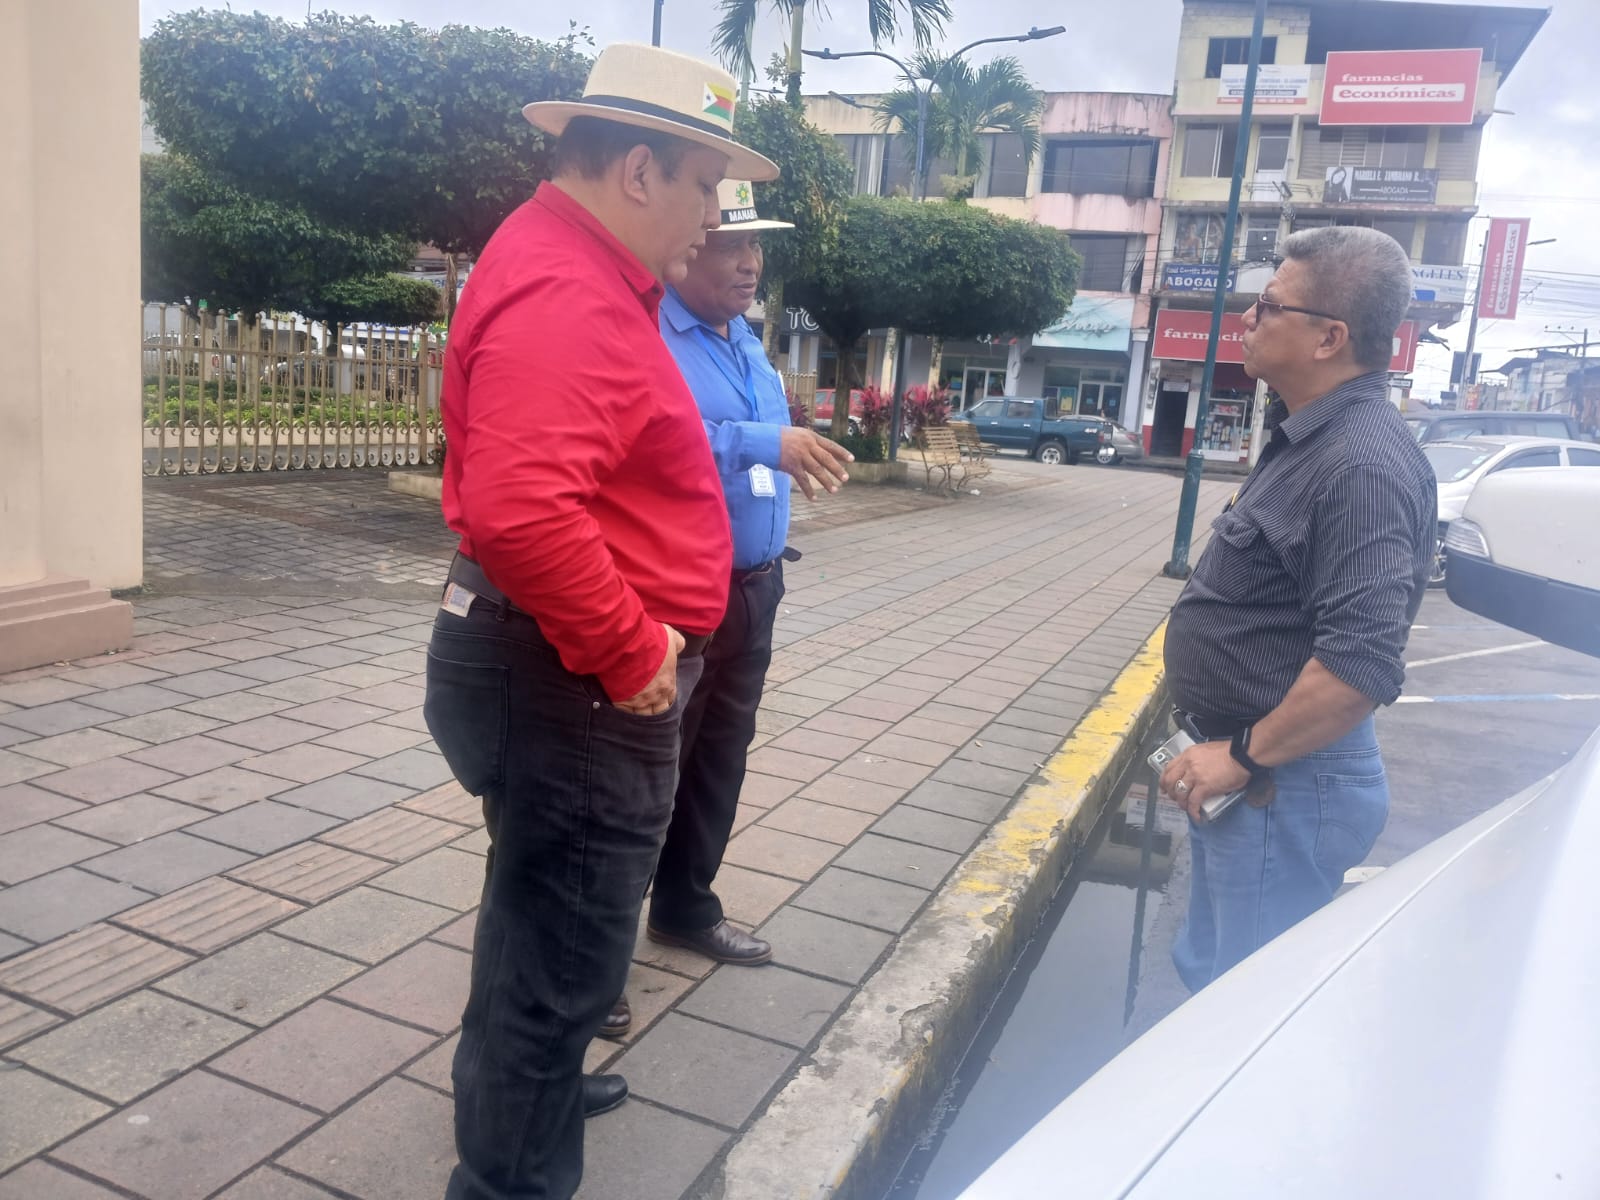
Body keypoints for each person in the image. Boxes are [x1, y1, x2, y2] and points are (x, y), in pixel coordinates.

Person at [421, 43, 779, 1200]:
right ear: (637, 169)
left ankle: (532, 1091)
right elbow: (523, 509)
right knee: (560, 961)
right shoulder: (568, 290)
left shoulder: (572, 267)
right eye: (705, 185)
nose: (714, 216)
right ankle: (512, 1169)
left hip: (545, 663)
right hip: (570, 676)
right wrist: (631, 655)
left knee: (537, 925)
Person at [598, 182, 852, 1034]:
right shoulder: (651, 335)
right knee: (640, 777)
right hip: (675, 596)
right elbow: (646, 442)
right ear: (689, 246)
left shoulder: (744, 340)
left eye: (757, 248)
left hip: (754, 586)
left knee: (719, 759)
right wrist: (759, 442)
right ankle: (594, 964)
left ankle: (685, 906)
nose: (750, 265)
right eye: (731, 246)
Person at [1158, 225, 1435, 993]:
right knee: (1211, 975)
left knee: (1243, 1001)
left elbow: (1359, 666)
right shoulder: (1312, 436)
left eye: (1270, 304)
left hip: (1283, 782)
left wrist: (1242, 756)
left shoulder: (1361, 463)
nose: (1249, 316)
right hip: (1263, 775)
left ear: (1329, 338)